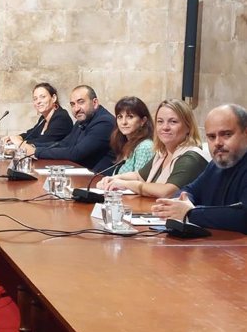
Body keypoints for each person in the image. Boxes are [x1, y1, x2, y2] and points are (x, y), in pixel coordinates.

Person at [152, 104, 247, 233]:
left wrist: (190, 212)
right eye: (211, 137)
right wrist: (181, 202)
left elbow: (242, 217)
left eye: (226, 134)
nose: (217, 143)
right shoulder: (215, 166)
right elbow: (189, 190)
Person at [98, 99, 208, 198]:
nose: (165, 127)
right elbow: (139, 176)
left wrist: (125, 184)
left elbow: (167, 191)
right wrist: (114, 179)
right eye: (160, 121)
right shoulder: (163, 152)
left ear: (188, 126)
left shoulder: (191, 157)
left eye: (173, 122)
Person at [24, 85, 116, 173]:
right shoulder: (82, 120)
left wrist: (36, 152)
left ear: (95, 103)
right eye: (72, 104)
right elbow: (64, 144)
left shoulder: (104, 122)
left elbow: (76, 153)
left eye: (81, 102)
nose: (76, 109)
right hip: (82, 177)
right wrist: (33, 146)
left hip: (99, 181)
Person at [5, 82, 72, 147]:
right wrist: (18, 137)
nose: (38, 101)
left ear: (53, 98)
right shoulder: (43, 118)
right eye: (35, 99)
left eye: (42, 97)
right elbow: (31, 134)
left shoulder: (61, 117)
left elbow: (44, 141)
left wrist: (19, 143)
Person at [107, 96, 154, 174]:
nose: (124, 122)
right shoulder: (126, 143)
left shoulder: (145, 147)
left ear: (143, 121)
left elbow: (139, 182)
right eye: (120, 117)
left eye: (130, 117)